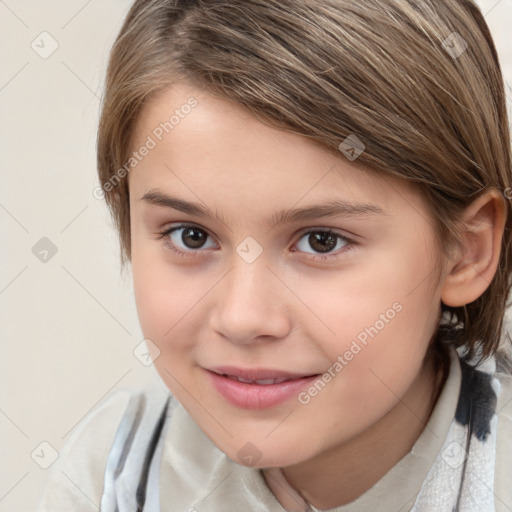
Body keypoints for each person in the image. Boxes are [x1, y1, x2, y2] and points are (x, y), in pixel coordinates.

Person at [37, 0, 512, 510]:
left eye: (321, 241)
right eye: (190, 236)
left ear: (465, 251)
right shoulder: (110, 475)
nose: (243, 319)